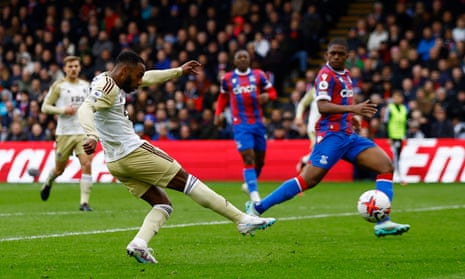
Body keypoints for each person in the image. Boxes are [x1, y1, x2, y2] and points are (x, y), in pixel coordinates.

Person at [77, 50, 275, 264]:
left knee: (162, 204)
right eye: (138, 75)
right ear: (125, 71)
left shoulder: (109, 79)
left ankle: (139, 244)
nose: (140, 81)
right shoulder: (106, 87)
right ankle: (241, 219)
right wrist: (91, 135)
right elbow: (85, 107)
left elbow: (149, 78)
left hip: (116, 162)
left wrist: (178, 71)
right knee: (189, 182)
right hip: (133, 151)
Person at [245, 38, 410, 237]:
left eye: (340, 54)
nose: (336, 57)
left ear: (347, 56)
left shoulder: (346, 75)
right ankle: (256, 208)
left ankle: (383, 222)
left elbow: (340, 101)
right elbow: (322, 106)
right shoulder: (325, 75)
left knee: (385, 166)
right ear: (327, 55)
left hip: (348, 135)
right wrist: (353, 109)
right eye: (333, 53)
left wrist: (351, 118)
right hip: (331, 135)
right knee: (308, 180)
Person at [214, 50, 277, 203]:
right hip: (240, 124)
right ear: (234, 61)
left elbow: (273, 92)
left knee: (260, 160)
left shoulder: (259, 75)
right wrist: (218, 114)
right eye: (239, 57)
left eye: (245, 57)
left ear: (249, 60)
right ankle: (255, 196)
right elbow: (222, 97)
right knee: (248, 157)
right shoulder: (228, 78)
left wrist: (267, 96)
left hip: (258, 123)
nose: (242, 59)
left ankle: (249, 184)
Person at [40, 56, 94, 211]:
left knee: (87, 163)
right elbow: (45, 107)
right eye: (70, 66)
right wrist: (63, 110)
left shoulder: (86, 86)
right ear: (65, 68)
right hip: (64, 133)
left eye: (76, 66)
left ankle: (84, 203)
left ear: (80, 68)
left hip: (83, 131)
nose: (73, 69)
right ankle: (48, 182)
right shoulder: (59, 86)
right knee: (59, 169)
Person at [383, 91, 408, 185]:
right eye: (396, 97)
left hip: (400, 136)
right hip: (392, 136)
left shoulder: (404, 108)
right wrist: (388, 137)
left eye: (399, 97)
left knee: (398, 156)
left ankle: (393, 175)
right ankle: (399, 177)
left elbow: (405, 123)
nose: (397, 99)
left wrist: (405, 136)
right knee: (395, 156)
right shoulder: (390, 108)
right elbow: (386, 122)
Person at [293, 86, 320, 173]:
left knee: (319, 151)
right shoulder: (315, 90)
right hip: (314, 127)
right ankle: (307, 172)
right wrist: (298, 117)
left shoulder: (337, 90)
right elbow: (302, 103)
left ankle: (305, 161)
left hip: (329, 127)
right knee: (318, 150)